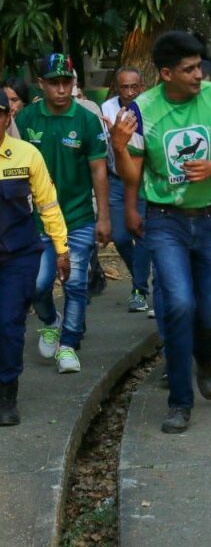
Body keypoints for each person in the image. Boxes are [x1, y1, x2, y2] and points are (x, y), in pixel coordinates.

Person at [110, 31, 211, 434]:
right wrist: (120, 148)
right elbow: (133, 175)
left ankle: (205, 357)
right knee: (178, 304)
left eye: (200, 67)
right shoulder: (141, 110)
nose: (198, 75)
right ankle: (179, 402)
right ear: (166, 73)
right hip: (166, 219)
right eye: (188, 69)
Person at [14, 54, 110, 374]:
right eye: (54, 82)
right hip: (38, 219)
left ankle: (68, 344)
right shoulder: (26, 119)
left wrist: (104, 216)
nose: (61, 89)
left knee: (75, 283)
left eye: (66, 82)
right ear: (41, 84)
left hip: (78, 216)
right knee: (37, 284)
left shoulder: (86, 120)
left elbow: (98, 170)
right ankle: (50, 321)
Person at [0, 89, 70, 425]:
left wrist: (61, 248)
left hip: (18, 255)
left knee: (8, 322)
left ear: (7, 117)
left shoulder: (27, 155)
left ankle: (7, 394)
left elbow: (48, 203)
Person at [102, 67, 153, 312]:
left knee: (141, 233)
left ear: (141, 86)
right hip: (116, 179)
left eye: (134, 87)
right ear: (117, 88)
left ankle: (139, 290)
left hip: (142, 180)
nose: (130, 92)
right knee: (120, 236)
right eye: (125, 87)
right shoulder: (107, 109)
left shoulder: (149, 107)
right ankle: (140, 277)